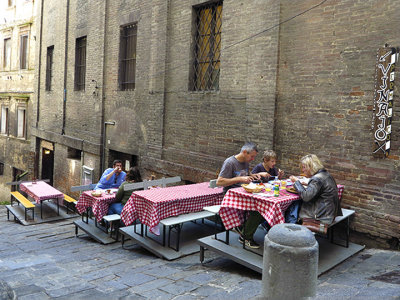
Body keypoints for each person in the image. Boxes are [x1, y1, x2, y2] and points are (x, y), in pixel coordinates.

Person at [217, 142, 265, 249]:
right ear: (244, 152)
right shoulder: (230, 163)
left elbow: (246, 175)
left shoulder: (245, 161)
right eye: (252, 156)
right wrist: (240, 179)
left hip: (245, 193)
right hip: (231, 196)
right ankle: (246, 236)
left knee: (264, 206)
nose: (253, 159)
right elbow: (219, 182)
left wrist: (254, 175)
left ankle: (244, 229)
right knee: (258, 210)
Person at [289, 154, 341, 225]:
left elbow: (306, 197)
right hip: (330, 213)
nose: (303, 170)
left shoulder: (316, 179)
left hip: (322, 217)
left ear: (311, 167)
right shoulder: (326, 174)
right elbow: (322, 187)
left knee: (293, 208)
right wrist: (308, 184)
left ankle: (289, 230)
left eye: (304, 167)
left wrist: (296, 182)